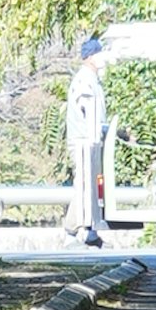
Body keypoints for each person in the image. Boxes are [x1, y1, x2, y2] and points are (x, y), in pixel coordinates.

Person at [64, 44, 112, 249]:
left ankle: (91, 233)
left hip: (92, 139)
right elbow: (87, 111)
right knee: (84, 186)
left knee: (93, 186)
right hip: (83, 141)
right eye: (100, 53)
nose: (103, 57)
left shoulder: (93, 80)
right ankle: (70, 233)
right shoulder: (84, 81)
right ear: (90, 56)